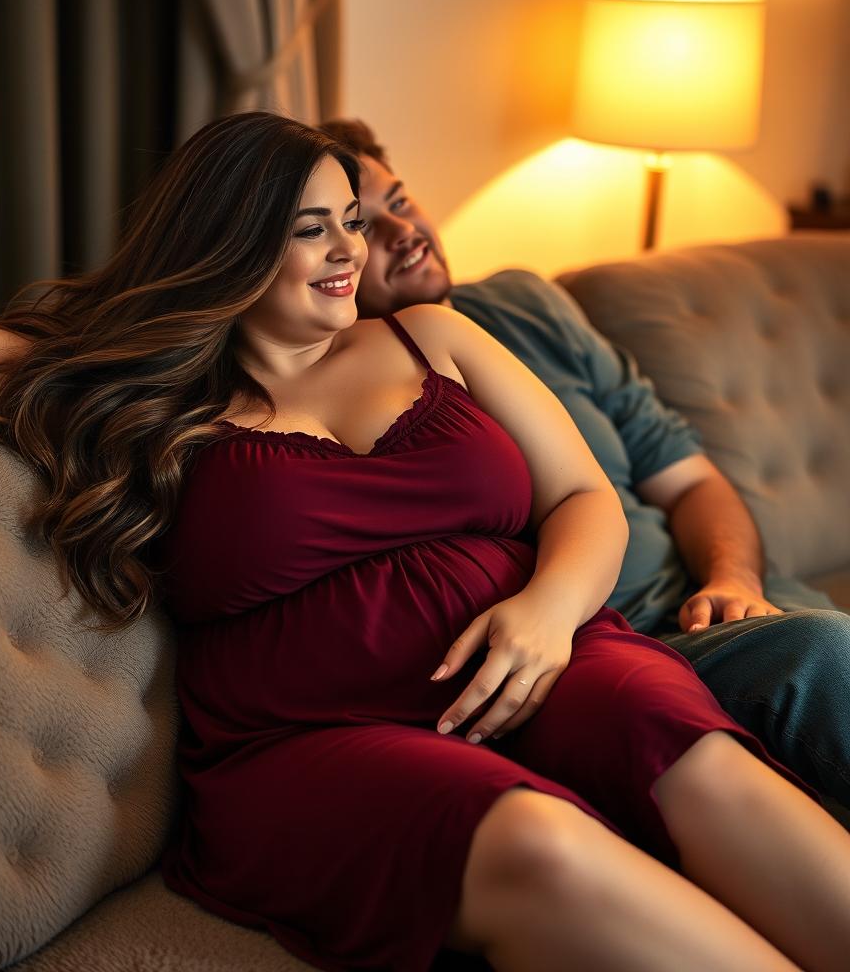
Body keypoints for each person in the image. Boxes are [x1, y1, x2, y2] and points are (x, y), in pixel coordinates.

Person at [0, 111, 850, 972]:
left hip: (538, 652)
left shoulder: (433, 336)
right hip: (310, 733)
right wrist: (116, 334)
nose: (347, 252)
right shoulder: (163, 407)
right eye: (309, 230)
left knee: (678, 741)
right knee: (533, 837)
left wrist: (548, 614)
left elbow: (582, 494)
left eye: (352, 224)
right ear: (228, 247)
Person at [320, 116, 850, 817]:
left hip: (749, 609)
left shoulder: (523, 304)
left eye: (402, 201)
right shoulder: (355, 406)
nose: (404, 231)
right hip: (619, 653)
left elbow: (689, 478)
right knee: (821, 654)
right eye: (366, 224)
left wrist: (733, 578)